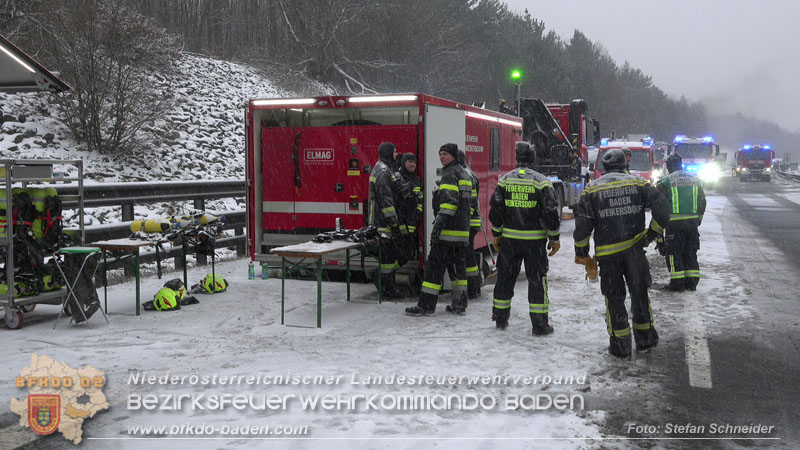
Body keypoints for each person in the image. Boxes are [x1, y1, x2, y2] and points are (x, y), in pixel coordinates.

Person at [573, 148, 669, 358]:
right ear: (624, 164)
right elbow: (663, 208)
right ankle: (645, 340)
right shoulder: (638, 183)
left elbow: (582, 226)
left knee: (614, 298)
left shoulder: (592, 189)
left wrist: (581, 251)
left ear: (605, 167)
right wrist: (651, 234)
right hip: (634, 251)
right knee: (640, 294)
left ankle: (621, 345)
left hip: (608, 256)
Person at [489, 141, 561, 334]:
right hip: (535, 243)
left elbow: (496, 210)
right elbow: (550, 213)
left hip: (510, 241)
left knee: (504, 279)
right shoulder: (542, 181)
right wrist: (554, 238)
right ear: (533, 158)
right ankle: (540, 325)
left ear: (517, 158)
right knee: (537, 281)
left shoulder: (505, 180)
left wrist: (497, 233)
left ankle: (500, 319)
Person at [405, 143, 471, 316]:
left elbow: (449, 205)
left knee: (433, 270)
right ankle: (459, 305)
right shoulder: (464, 173)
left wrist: (437, 229)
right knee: (458, 272)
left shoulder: (449, 173)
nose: (442, 157)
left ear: (454, 156)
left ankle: (426, 306)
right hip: (462, 234)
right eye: (440, 154)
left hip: (447, 235)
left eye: (445, 154)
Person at [656, 153, 706, 291]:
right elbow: (702, 202)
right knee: (690, 252)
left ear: (668, 166)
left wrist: (658, 236)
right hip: (692, 225)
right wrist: (698, 220)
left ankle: (677, 283)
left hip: (674, 226)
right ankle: (692, 282)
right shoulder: (695, 180)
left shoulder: (664, 183)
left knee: (673, 254)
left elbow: (659, 210)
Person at [368, 142, 406, 299]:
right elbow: (386, 202)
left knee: (388, 259)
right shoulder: (383, 172)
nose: (397, 155)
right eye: (395, 152)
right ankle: (387, 289)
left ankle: (387, 287)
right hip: (383, 224)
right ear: (389, 153)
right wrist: (394, 224)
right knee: (388, 260)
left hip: (381, 222)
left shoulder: (383, 168)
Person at [458, 148, 483, 299]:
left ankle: (473, 287)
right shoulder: (470, 172)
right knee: (469, 255)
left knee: (468, 256)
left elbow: (470, 202)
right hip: (472, 221)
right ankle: (474, 286)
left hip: (468, 221)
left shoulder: (465, 174)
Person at [394, 153, 424, 267]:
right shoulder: (397, 177)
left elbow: (420, 199)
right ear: (403, 162)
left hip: (411, 226)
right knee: (398, 255)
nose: (413, 164)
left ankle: (387, 275)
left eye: (414, 162)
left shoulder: (417, 180)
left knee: (407, 255)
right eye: (410, 162)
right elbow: (395, 201)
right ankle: (384, 276)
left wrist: (418, 214)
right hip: (399, 225)